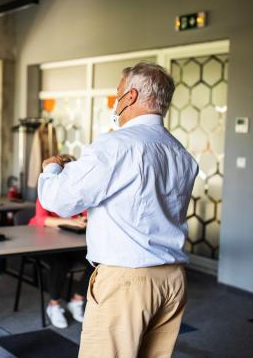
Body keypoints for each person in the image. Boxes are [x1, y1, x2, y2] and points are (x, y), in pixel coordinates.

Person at [38, 62, 198, 358]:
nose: (116, 101)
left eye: (118, 93)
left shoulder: (115, 145)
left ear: (131, 96)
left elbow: (58, 201)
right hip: (172, 281)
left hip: (127, 282)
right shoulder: (182, 154)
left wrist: (51, 170)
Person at [29, 193, 93, 329]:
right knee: (61, 263)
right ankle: (53, 305)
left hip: (67, 240)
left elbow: (88, 214)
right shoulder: (45, 192)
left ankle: (77, 300)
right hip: (39, 240)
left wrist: (84, 219)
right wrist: (70, 221)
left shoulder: (77, 192)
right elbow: (41, 219)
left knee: (95, 260)